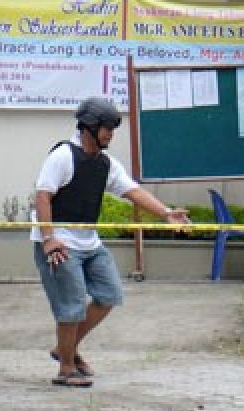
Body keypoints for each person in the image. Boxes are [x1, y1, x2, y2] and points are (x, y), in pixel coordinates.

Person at [32, 97, 189, 387]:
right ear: (89, 127)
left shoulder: (106, 164)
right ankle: (66, 368)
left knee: (109, 294)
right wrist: (49, 239)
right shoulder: (63, 156)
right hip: (59, 242)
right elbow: (43, 196)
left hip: (88, 241)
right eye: (106, 128)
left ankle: (64, 348)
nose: (110, 135)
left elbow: (132, 191)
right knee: (72, 305)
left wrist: (166, 214)